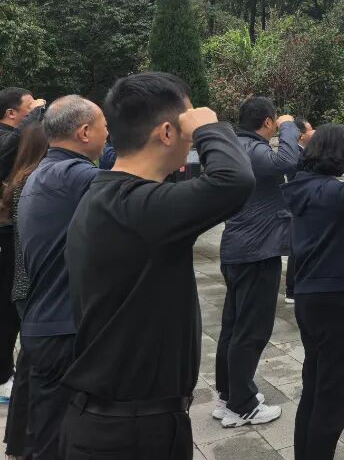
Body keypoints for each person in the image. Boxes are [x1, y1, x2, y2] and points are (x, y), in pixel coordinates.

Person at [61, 72, 255, 460]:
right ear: (167, 132)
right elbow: (234, 180)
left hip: (118, 422)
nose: (192, 139)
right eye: (187, 127)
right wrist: (210, 126)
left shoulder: (111, 197)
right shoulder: (137, 208)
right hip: (129, 434)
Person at [281, 124, 344, 460]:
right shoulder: (324, 192)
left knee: (316, 386)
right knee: (334, 395)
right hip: (337, 300)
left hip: (314, 297)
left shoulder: (306, 186)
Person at [17, 96, 108, 459]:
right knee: (62, 438)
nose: (108, 133)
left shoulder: (43, 172)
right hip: (64, 329)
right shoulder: (79, 177)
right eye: (104, 126)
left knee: (49, 432)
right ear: (84, 132)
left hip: (45, 322)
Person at [215, 97, 300, 427]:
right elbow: (287, 161)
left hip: (239, 249)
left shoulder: (235, 146)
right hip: (256, 251)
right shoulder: (253, 149)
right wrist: (289, 126)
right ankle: (242, 405)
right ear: (267, 122)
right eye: (275, 121)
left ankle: (228, 395)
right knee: (251, 330)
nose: (277, 124)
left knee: (233, 327)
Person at [0, 121, 47, 457]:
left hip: (23, 281)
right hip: (30, 282)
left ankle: (19, 441)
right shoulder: (34, 182)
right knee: (35, 366)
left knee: (30, 362)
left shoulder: (20, 179)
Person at [284, 116, 315, 305]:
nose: (314, 132)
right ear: (301, 135)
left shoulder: (303, 151)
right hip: (299, 204)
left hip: (305, 203)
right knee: (297, 248)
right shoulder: (296, 153)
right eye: (310, 130)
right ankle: (291, 290)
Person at [0, 87, 47, 182]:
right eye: (30, 107)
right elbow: (9, 144)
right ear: (11, 113)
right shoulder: (8, 137)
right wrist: (36, 110)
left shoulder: (24, 136)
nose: (34, 109)